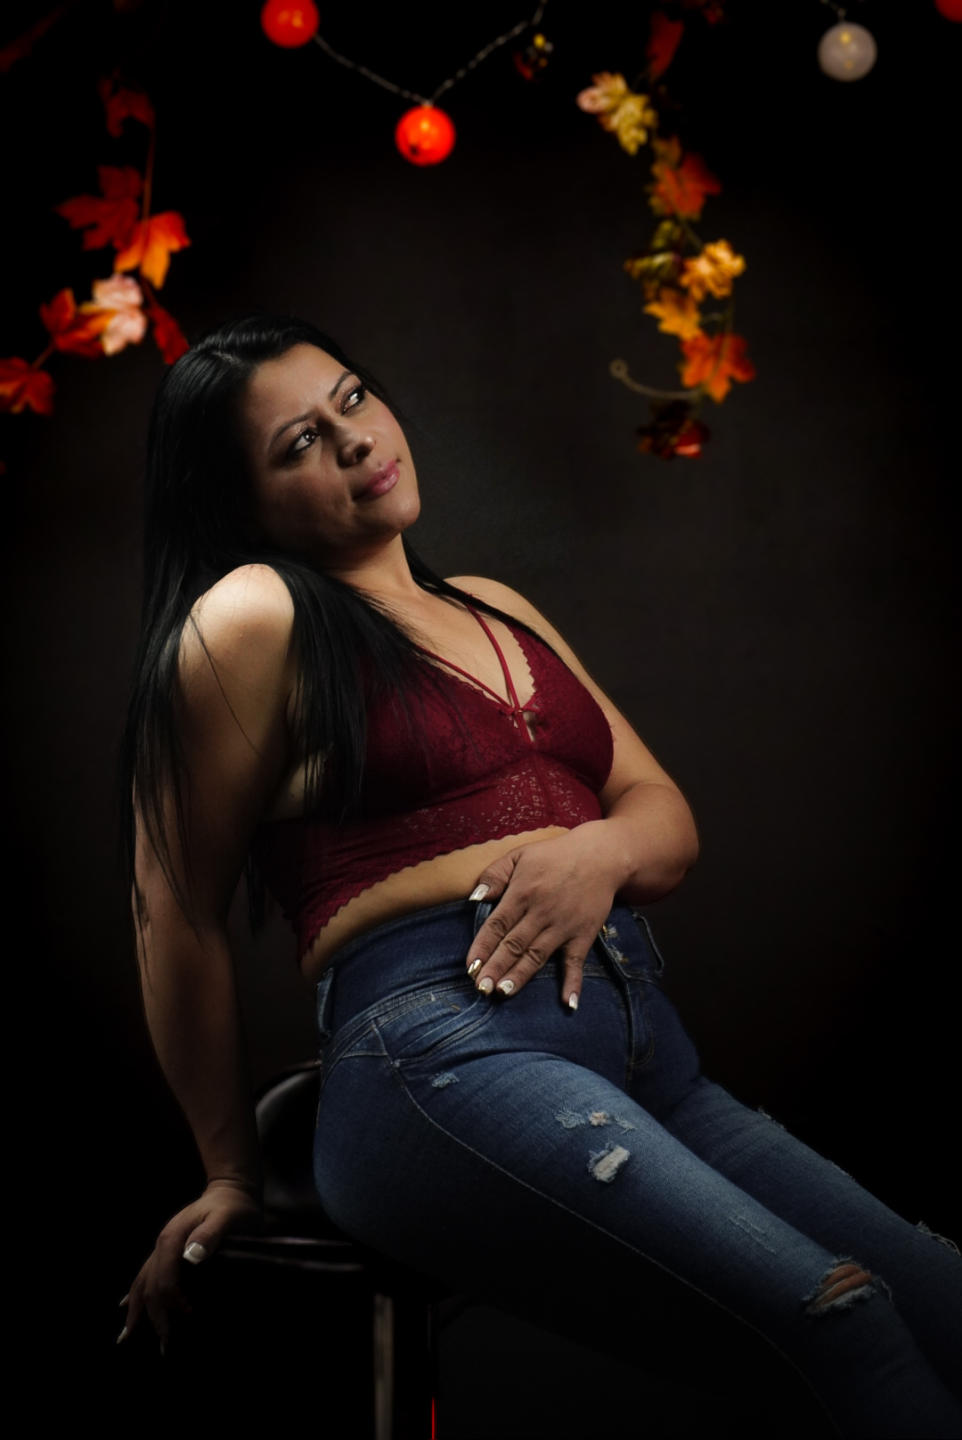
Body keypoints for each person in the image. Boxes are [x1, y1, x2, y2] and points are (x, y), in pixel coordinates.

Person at [119, 314, 961, 1437]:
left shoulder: (495, 605)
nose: (355, 438)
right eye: (300, 443)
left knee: (941, 1305)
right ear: (244, 505)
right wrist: (229, 1171)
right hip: (445, 1052)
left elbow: (660, 818)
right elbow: (173, 907)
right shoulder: (254, 615)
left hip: (646, 1054)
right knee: (842, 1323)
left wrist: (595, 853)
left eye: (353, 398)